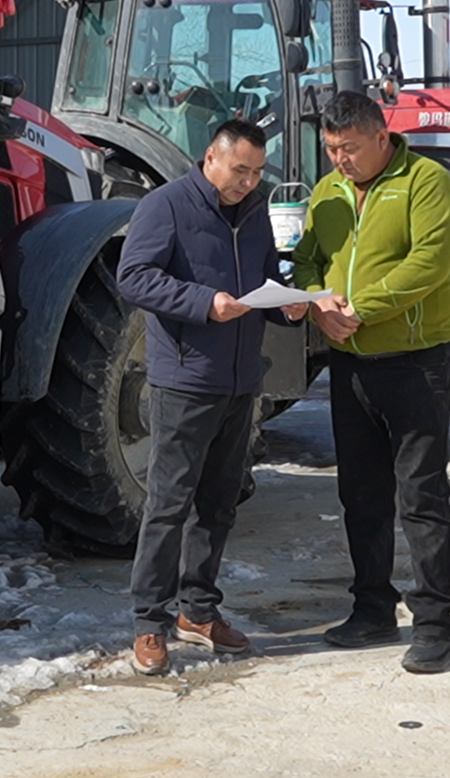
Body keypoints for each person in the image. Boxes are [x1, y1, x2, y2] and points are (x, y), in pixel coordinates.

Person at [116, 118, 307, 675]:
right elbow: (134, 277)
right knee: (169, 505)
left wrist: (289, 306)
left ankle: (198, 611)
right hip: (185, 380)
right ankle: (149, 622)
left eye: (257, 172)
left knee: (219, 504)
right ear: (211, 159)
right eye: (240, 170)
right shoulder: (166, 206)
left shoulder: (255, 212)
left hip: (241, 380)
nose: (248, 182)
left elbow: (265, 280)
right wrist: (205, 303)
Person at [292, 91, 450, 674]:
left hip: (415, 361)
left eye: (349, 148)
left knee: (422, 497)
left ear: (382, 137)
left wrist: (360, 308)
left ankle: (435, 626)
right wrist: (317, 302)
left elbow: (430, 263)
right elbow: (308, 260)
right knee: (361, 495)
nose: (340, 160)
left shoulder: (427, 183)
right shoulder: (327, 192)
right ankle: (371, 609)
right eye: (331, 149)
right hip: (349, 363)